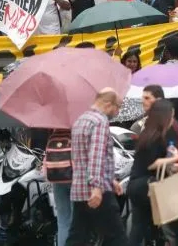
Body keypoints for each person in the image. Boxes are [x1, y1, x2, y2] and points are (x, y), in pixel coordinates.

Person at [66, 88, 128, 246]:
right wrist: (97, 186)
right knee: (117, 237)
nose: (118, 111)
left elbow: (80, 156)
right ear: (108, 104)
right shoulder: (100, 122)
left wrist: (111, 180)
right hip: (97, 191)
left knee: (77, 237)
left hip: (79, 189)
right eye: (118, 106)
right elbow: (96, 155)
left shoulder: (80, 120)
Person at [128, 99, 178, 246]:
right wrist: (176, 158)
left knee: (139, 228)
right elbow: (153, 164)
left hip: (138, 186)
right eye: (171, 116)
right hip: (148, 186)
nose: (173, 120)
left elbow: (162, 166)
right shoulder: (156, 138)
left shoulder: (148, 134)